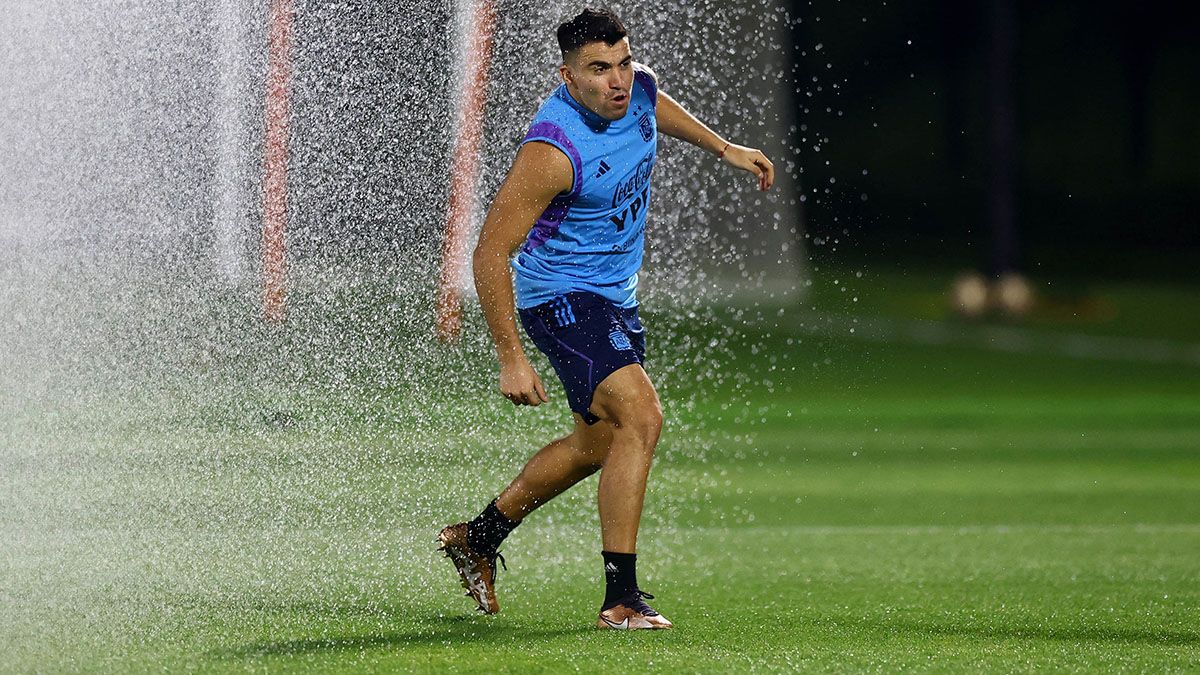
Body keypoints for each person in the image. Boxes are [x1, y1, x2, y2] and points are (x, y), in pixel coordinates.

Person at [439, 7, 774, 631]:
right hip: (559, 298)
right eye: (599, 69)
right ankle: (621, 599)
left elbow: (653, 104)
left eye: (622, 63)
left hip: (613, 296)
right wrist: (510, 357)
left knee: (595, 446)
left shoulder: (637, 87)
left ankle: (478, 537)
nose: (617, 80)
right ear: (568, 76)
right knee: (642, 417)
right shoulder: (552, 150)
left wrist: (724, 148)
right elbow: (489, 251)